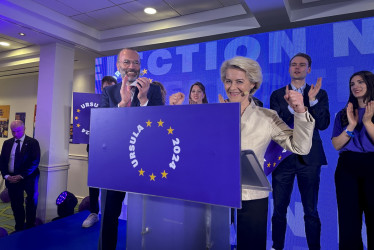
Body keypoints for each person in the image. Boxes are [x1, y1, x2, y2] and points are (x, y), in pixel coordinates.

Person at [219, 56, 315, 249]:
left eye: (240, 81)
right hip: (217, 194)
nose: (232, 87)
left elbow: (300, 147)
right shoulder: (214, 113)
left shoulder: (268, 117)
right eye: (228, 81)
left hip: (252, 196)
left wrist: (300, 112)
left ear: (253, 84)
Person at [98, 48, 163, 250]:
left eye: (135, 63)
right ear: (118, 66)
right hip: (116, 166)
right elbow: (104, 128)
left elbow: (158, 129)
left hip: (145, 165)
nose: (132, 67)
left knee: (146, 216)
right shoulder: (109, 92)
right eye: (127, 63)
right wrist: (123, 104)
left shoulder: (152, 91)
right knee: (109, 215)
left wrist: (144, 101)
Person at [269, 53, 330, 250]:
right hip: (283, 158)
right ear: (288, 69)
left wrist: (311, 102)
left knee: (311, 210)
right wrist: (293, 106)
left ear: (309, 69)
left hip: (310, 159)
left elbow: (322, 124)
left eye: (302, 65)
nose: (297, 68)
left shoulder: (319, 93)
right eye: (293, 65)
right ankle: (277, 247)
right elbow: (278, 124)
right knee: (279, 210)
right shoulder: (277, 95)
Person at [331, 71, 374, 249]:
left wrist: (368, 122)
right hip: (347, 167)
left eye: (360, 82)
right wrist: (351, 125)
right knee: (348, 221)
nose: (355, 86)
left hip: (372, 165)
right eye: (352, 84)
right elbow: (336, 144)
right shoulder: (344, 113)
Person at [82, 76, 117, 228]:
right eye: (105, 87)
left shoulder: (123, 105)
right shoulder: (94, 105)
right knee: (94, 180)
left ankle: (111, 213)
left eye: (111, 87)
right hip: (95, 146)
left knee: (114, 183)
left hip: (116, 148)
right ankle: (94, 213)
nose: (108, 90)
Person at [0, 120, 40, 232]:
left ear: (24, 129)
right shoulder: (7, 143)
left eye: (17, 131)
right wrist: (6, 176)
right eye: (13, 131)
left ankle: (30, 226)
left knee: (31, 202)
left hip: (28, 178)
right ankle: (19, 227)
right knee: (16, 204)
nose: (14, 134)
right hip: (11, 178)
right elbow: (2, 161)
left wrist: (21, 175)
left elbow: (35, 161)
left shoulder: (33, 143)